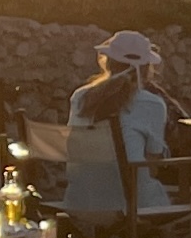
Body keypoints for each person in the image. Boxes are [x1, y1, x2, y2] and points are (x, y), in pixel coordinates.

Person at [68, 28, 170, 161]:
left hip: (81, 181)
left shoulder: (81, 96)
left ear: (108, 64)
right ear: (146, 68)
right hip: (129, 182)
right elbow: (153, 159)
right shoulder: (152, 104)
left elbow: (72, 147)